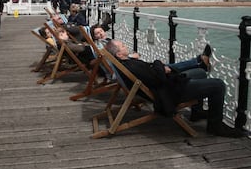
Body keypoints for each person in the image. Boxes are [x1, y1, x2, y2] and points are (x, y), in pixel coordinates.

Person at [105, 39, 244, 138]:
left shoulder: (126, 63)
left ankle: (197, 112)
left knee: (200, 72)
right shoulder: (131, 66)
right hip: (169, 92)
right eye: (122, 46)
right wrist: (160, 65)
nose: (125, 46)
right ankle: (215, 126)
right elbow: (157, 79)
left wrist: (160, 68)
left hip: (166, 86)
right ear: (119, 54)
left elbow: (152, 74)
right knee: (218, 85)